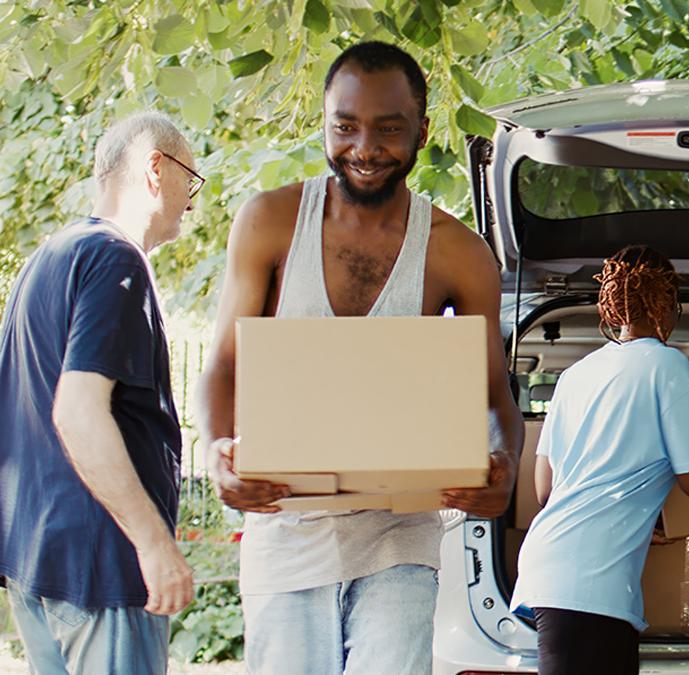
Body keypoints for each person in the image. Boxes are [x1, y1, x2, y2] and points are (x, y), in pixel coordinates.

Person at [196, 41, 524, 674]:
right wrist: (215, 452)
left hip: (399, 537)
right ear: (325, 124)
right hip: (285, 530)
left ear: (422, 132)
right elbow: (223, 366)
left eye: (388, 129)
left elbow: (493, 396)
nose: (364, 148)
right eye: (345, 126)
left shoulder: (459, 253)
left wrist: (502, 465)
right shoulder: (268, 222)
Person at [0, 113, 200, 674]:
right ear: (156, 168)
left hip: (35, 564)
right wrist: (154, 544)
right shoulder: (115, 259)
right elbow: (77, 413)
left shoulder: (47, 258)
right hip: (101, 571)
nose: (192, 203)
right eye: (191, 180)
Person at [509, 245, 689, 675]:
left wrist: (631, 514)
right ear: (667, 302)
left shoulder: (575, 375)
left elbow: (545, 489)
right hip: (591, 579)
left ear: (609, 303)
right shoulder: (666, 365)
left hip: (549, 564)